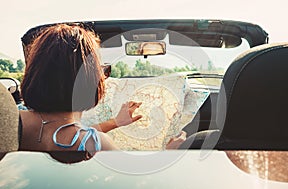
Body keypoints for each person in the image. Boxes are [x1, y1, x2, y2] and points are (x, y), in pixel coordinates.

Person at [19, 23, 185, 153]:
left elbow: (67, 130)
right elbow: (139, 184)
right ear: (88, 80)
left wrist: (116, 122)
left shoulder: (11, 120)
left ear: (34, 71)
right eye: (102, 71)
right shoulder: (97, 143)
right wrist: (169, 152)